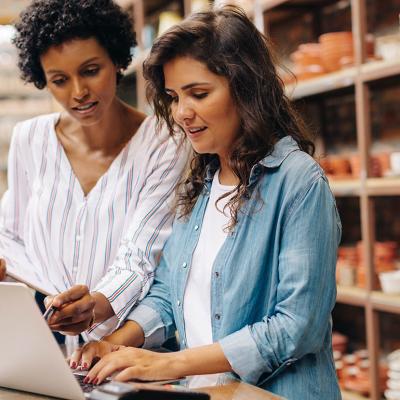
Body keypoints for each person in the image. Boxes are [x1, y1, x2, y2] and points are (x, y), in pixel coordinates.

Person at [71, 6, 341, 399]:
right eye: (173, 96)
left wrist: (170, 363)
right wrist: (117, 343)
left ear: (246, 88)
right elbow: (167, 295)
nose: (182, 112)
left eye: (198, 93)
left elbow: (296, 326)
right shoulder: (201, 181)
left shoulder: (299, 183)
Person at [0, 0, 188, 343]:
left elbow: (142, 256)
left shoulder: (164, 143)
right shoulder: (30, 139)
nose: (78, 92)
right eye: (59, 79)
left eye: (90, 70)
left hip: (133, 341)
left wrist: (95, 306)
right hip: (48, 339)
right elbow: (11, 236)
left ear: (116, 60)